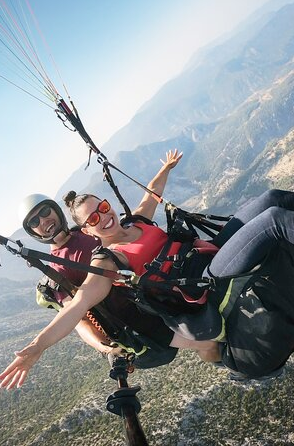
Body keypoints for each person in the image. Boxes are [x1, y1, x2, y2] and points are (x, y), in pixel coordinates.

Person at [0, 174, 294, 389]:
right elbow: (78, 307)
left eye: (101, 205)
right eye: (94, 216)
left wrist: (166, 170)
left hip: (207, 250)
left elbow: (150, 198)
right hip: (206, 279)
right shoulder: (108, 257)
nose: (103, 215)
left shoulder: (132, 220)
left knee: (269, 198)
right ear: (89, 231)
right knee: (273, 221)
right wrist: (37, 347)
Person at [15, 150, 185, 363]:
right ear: (33, 233)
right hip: (143, 319)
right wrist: (104, 348)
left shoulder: (89, 227)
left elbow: (144, 207)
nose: (42, 221)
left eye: (44, 212)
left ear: (55, 210)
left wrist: (165, 168)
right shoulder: (58, 270)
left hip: (164, 287)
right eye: (34, 222)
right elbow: (78, 315)